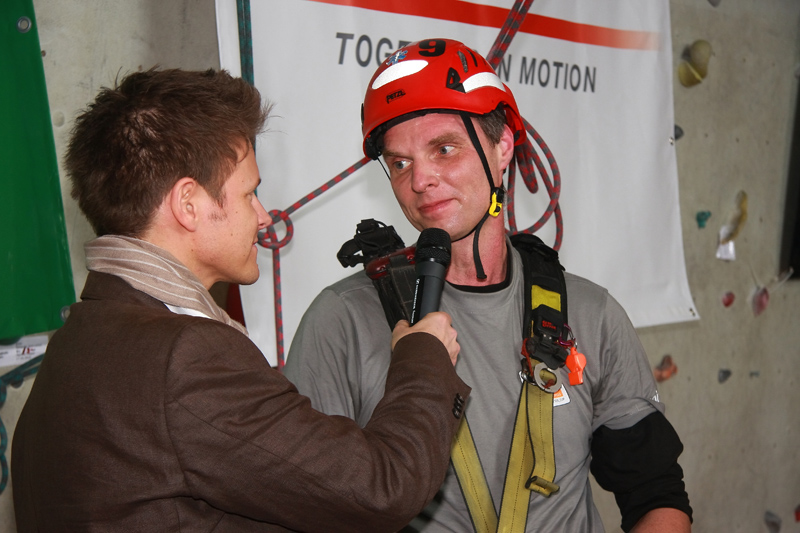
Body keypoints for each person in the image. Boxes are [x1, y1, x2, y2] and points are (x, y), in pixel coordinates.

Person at [10, 67, 471, 533]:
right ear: (188, 204)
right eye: (249, 193)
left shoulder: (78, 338)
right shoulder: (185, 357)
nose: (264, 216)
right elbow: (382, 488)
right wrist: (424, 357)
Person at [284, 39, 693, 532]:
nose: (420, 180)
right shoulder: (342, 322)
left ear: (502, 149)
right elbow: (304, 509)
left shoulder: (590, 314)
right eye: (400, 163)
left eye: (444, 149)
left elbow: (655, 492)